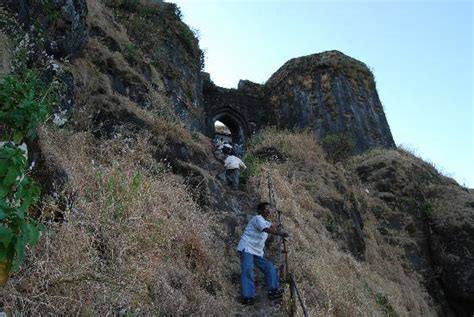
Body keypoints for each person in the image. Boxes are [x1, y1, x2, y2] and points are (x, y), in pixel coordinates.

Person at [237, 202, 289, 305]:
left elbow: (271, 226)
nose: (268, 211)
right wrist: (280, 234)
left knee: (269, 267)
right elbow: (266, 229)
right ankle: (247, 297)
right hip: (247, 247)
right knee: (247, 269)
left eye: (269, 209)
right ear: (260, 211)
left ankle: (273, 290)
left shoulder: (266, 222)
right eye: (265, 209)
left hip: (257, 251)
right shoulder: (257, 218)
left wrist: (279, 224)